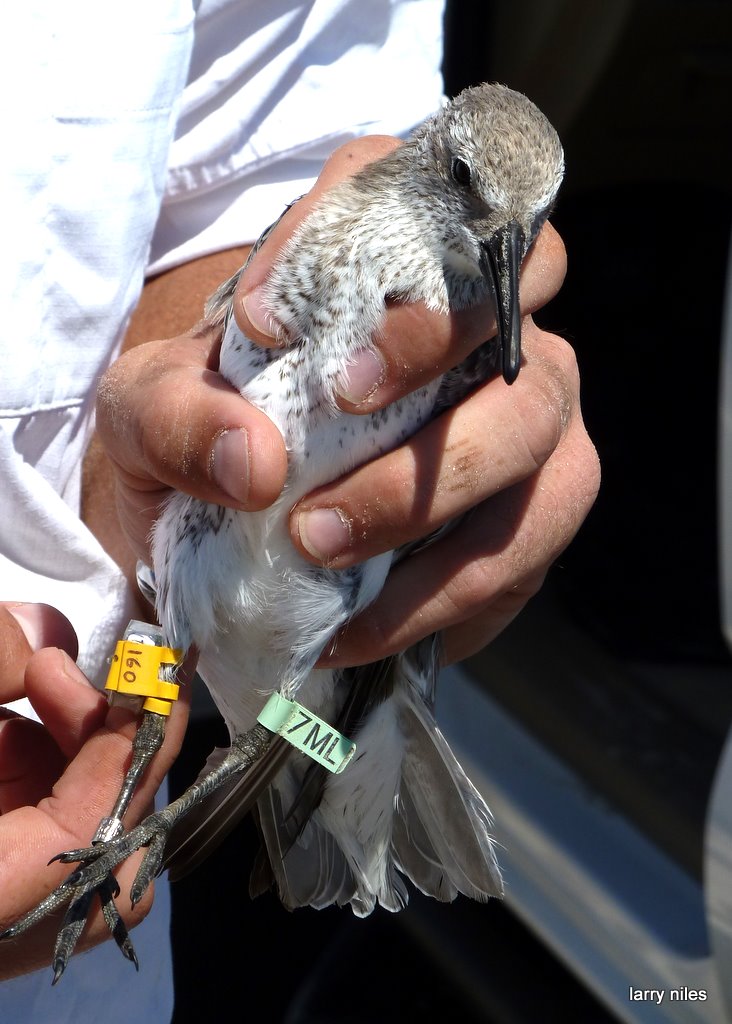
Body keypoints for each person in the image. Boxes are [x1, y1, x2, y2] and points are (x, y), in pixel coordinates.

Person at [0, 0, 599, 1018]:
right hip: (96, 691)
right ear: (434, 158)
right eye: (470, 194)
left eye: (521, 232)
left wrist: (163, 415)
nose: (503, 262)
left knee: (202, 676)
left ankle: (197, 797)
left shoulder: (465, 329)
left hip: (126, 692)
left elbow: (245, 178)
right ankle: (258, 778)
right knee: (243, 706)